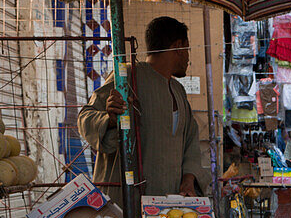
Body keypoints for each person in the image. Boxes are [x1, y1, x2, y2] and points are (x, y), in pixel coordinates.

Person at [78, 16, 208, 207]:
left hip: (167, 206)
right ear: (179, 46)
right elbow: (85, 117)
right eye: (187, 49)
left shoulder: (178, 91)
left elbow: (190, 141)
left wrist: (189, 179)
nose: (188, 57)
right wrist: (110, 119)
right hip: (126, 203)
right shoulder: (128, 76)